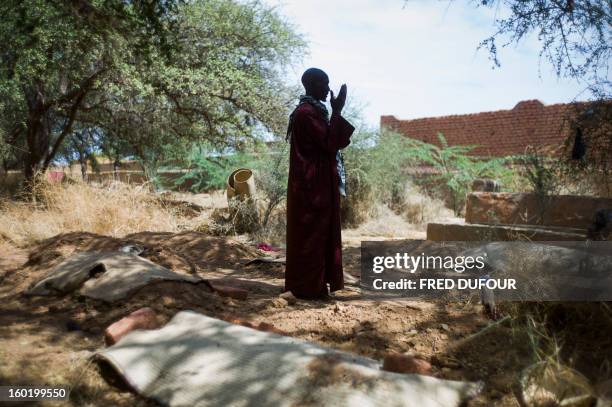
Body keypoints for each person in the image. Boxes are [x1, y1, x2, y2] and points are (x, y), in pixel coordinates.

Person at [284, 68, 355, 299]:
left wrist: (334, 112)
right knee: (313, 235)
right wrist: (338, 111)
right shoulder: (307, 113)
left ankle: (314, 285)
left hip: (314, 184)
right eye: (324, 84)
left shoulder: (311, 111)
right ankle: (308, 288)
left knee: (316, 234)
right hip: (312, 187)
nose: (328, 89)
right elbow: (330, 142)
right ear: (312, 85)